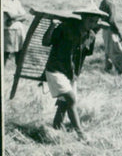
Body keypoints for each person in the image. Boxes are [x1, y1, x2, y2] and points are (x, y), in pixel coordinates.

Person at [42, 7, 109, 136]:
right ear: (82, 18)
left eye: (95, 22)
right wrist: (51, 27)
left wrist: (75, 76)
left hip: (71, 74)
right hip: (56, 69)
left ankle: (56, 130)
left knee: (64, 104)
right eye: (90, 20)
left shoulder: (91, 36)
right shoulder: (65, 28)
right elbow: (45, 42)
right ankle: (80, 133)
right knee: (71, 99)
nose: (92, 24)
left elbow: (83, 55)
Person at [98, 0, 122, 73]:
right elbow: (112, 21)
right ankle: (121, 71)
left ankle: (108, 69)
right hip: (111, 30)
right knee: (118, 52)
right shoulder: (111, 4)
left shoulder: (103, 2)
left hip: (105, 30)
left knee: (108, 51)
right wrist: (119, 33)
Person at [3, 0, 28, 69]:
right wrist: (16, 17)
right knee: (5, 53)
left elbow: (25, 16)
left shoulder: (17, 1)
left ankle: (18, 74)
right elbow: (11, 16)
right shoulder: (3, 0)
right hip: (8, 31)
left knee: (20, 54)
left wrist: (14, 19)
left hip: (19, 31)